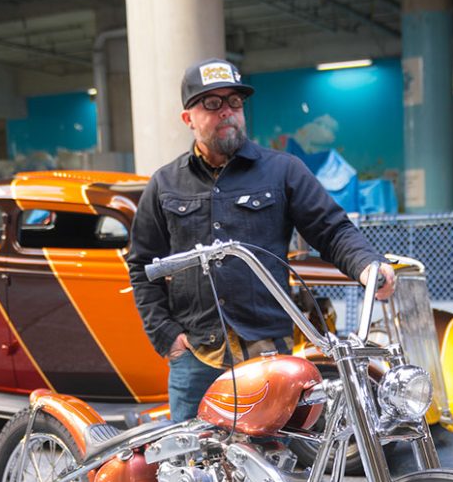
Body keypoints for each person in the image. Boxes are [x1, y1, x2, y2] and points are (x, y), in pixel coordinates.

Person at [127, 58, 396, 421]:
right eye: (212, 103)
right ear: (188, 118)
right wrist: (167, 337)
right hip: (196, 355)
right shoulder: (164, 183)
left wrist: (367, 265)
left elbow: (332, 229)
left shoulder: (283, 171)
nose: (227, 111)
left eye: (235, 102)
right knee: (190, 452)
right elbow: (142, 265)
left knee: (278, 450)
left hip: (267, 350)